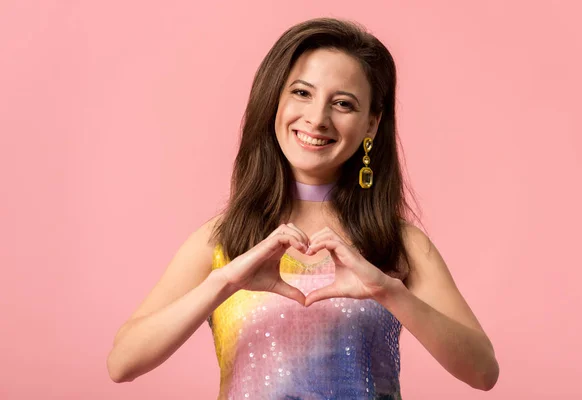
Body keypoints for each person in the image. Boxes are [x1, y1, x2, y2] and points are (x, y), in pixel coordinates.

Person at [107, 17, 499, 399]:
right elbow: (122, 364)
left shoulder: (399, 244)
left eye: (343, 103)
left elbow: (483, 372)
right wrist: (223, 283)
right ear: (274, 99)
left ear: (371, 125)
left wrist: (388, 291)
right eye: (301, 93)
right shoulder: (220, 240)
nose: (317, 118)